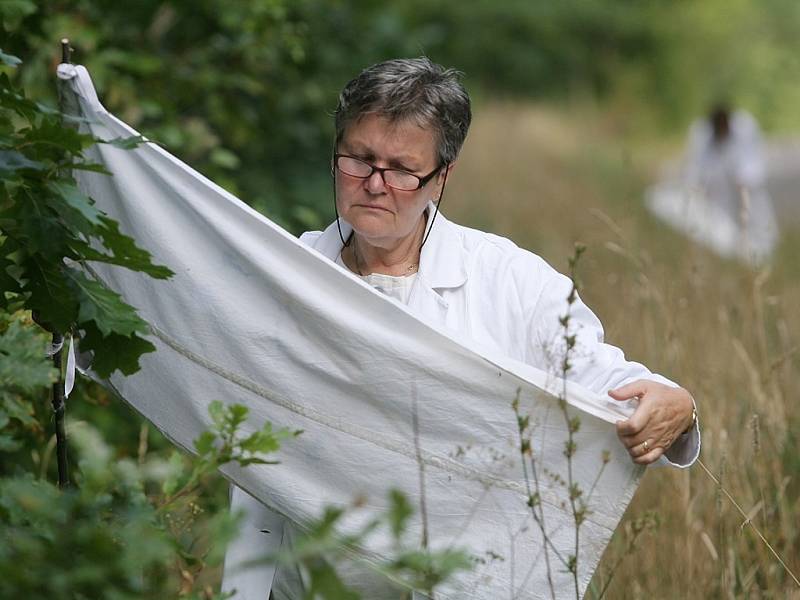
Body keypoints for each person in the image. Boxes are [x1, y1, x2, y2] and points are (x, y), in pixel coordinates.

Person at [222, 57, 700, 599]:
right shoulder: (284, 271)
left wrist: (675, 404)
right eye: (359, 159)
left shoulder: (511, 281)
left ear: (441, 176)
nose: (376, 184)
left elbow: (603, 380)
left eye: (402, 169)